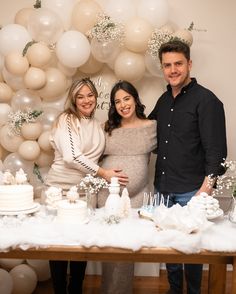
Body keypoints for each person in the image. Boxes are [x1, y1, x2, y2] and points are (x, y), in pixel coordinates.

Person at [148, 40, 227, 294]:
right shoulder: (162, 101)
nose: (173, 70)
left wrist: (205, 190)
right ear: (162, 68)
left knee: (192, 252)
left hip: (192, 191)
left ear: (189, 64)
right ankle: (174, 290)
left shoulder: (207, 100)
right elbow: (145, 132)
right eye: (167, 65)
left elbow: (216, 151)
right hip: (163, 189)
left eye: (178, 64)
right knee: (170, 249)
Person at [45, 78, 127, 294]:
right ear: (73, 99)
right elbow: (72, 157)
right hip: (61, 190)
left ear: (95, 97)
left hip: (85, 191)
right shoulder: (67, 119)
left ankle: (76, 290)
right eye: (80, 96)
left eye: (90, 95)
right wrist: (104, 174)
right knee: (60, 247)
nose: (86, 100)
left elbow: (96, 156)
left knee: (81, 245)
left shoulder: (96, 124)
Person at [98, 80, 157, 294]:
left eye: (126, 98)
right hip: (107, 194)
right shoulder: (107, 128)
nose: (123, 104)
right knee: (109, 247)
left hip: (138, 195)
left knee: (127, 247)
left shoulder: (151, 127)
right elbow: (92, 158)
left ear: (135, 99)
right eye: (117, 101)